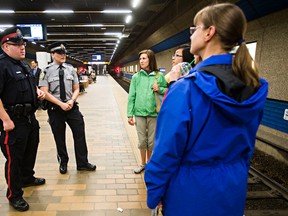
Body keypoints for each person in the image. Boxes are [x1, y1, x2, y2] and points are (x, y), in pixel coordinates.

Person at [144, 3, 268, 216]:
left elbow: (165, 153)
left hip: (189, 196)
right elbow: (246, 149)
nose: (191, 36)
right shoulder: (254, 87)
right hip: (232, 193)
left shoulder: (185, 89)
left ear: (209, 32)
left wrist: (154, 196)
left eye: (195, 29)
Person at [0, 26, 46, 211]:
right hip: (13, 120)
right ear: (5, 46)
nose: (22, 47)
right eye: (17, 44)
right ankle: (14, 194)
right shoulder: (2, 65)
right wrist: (5, 120)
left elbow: (30, 87)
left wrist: (37, 94)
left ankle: (27, 178)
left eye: (23, 43)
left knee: (30, 151)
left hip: (29, 118)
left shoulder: (24, 65)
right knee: (14, 159)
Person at [39, 41, 96, 174]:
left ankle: (82, 163)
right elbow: (44, 92)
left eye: (64, 52)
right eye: (59, 53)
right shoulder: (46, 71)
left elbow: (76, 88)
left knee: (80, 134)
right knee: (59, 137)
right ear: (53, 55)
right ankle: (63, 162)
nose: (63, 55)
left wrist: (72, 100)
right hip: (55, 109)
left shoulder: (70, 69)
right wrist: (60, 104)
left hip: (72, 108)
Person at [127, 49, 167, 174]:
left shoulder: (158, 76)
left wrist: (159, 88)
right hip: (139, 113)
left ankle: (150, 164)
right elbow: (131, 96)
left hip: (153, 113)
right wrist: (129, 114)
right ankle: (142, 163)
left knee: (151, 141)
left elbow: (167, 90)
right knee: (141, 140)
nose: (141, 61)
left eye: (144, 58)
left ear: (150, 59)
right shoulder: (136, 77)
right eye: (140, 59)